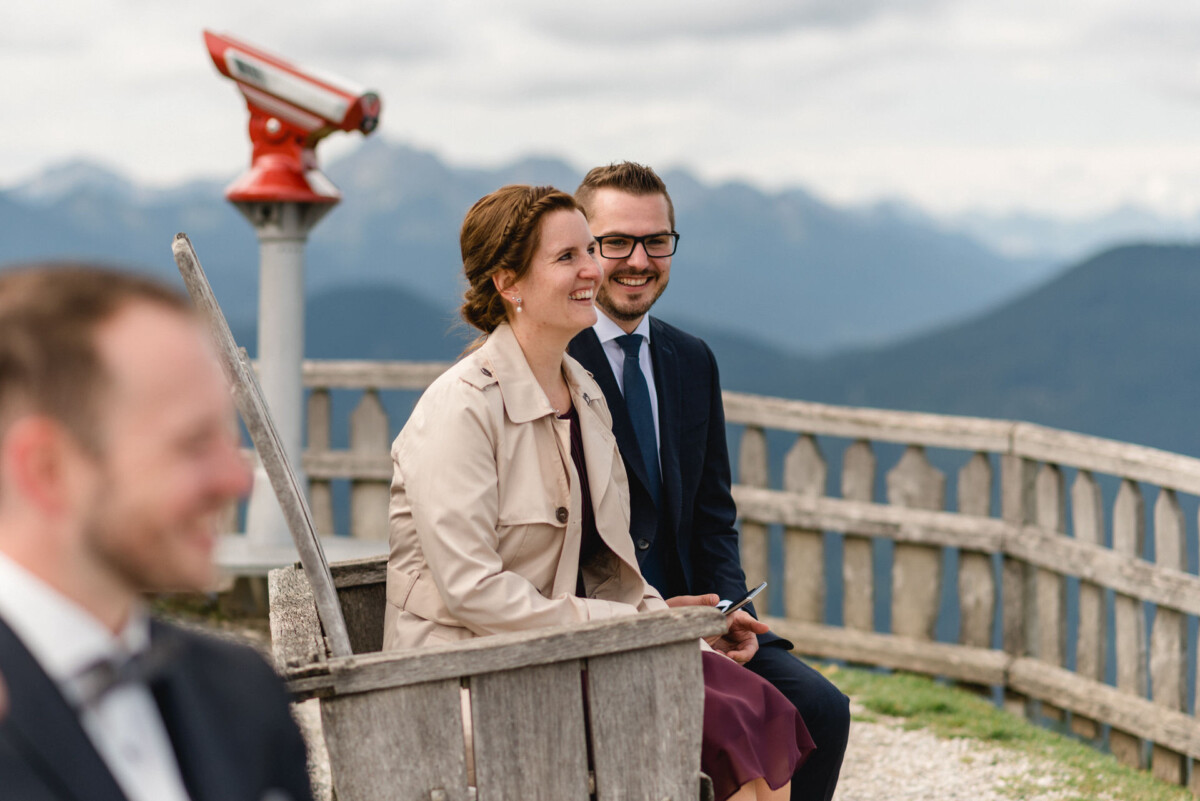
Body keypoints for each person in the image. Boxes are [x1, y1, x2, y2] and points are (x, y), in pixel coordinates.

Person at [383, 185, 812, 801]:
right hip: (470, 672)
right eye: (567, 258)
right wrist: (629, 628)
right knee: (717, 720)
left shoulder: (581, 391)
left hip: (555, 656)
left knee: (750, 706)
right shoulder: (460, 408)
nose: (593, 270)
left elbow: (605, 567)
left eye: (590, 249)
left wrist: (672, 621)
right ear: (509, 283)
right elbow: (475, 595)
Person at [568, 162, 852, 801]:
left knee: (823, 710)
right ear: (585, 251)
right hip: (610, 627)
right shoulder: (556, 358)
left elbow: (712, 514)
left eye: (657, 241)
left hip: (707, 620)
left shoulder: (691, 358)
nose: (639, 260)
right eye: (617, 242)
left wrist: (735, 616)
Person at [0, 265, 314, 801]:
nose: (237, 480)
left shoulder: (243, 690)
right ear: (49, 470)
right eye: (192, 444)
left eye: (227, 438)